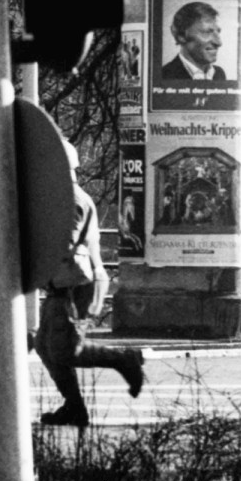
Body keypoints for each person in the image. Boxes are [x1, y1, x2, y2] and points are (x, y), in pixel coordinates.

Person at [34, 140, 145, 427]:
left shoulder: (72, 200)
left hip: (77, 283)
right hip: (62, 283)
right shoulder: (58, 198)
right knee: (46, 347)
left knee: (66, 349)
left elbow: (63, 243)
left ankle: (125, 359)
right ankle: (74, 408)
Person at [158, 2, 228, 82]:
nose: (219, 43)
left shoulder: (219, 74)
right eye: (207, 32)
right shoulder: (165, 75)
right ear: (181, 36)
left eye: (218, 32)